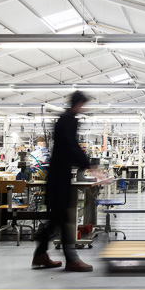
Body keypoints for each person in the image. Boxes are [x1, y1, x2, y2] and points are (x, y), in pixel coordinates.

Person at [32, 91, 105, 272]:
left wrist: (86, 165)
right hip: (59, 177)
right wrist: (90, 166)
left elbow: (68, 146)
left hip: (58, 175)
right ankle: (71, 259)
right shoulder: (69, 119)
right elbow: (71, 145)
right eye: (83, 105)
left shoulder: (63, 119)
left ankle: (41, 254)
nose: (84, 108)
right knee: (62, 218)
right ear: (79, 103)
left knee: (58, 219)